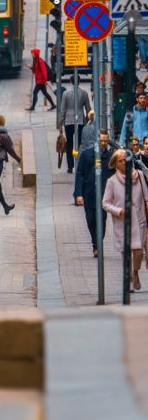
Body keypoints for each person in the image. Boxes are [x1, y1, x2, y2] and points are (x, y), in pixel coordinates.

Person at [101, 150, 148, 291]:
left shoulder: (138, 175)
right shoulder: (112, 182)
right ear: (115, 164)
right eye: (120, 161)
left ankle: (135, 272)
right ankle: (128, 280)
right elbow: (105, 203)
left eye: (126, 160)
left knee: (139, 251)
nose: (124, 163)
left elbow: (146, 196)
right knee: (126, 254)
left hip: (139, 219)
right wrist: (118, 211)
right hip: (122, 222)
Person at [74, 130, 113, 257]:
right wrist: (78, 194)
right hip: (89, 194)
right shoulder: (86, 155)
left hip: (104, 195)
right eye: (101, 140)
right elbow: (79, 174)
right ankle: (95, 243)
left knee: (102, 220)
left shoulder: (110, 157)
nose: (103, 143)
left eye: (105, 141)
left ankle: (98, 245)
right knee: (91, 220)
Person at [56, 82, 92, 173]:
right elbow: (88, 108)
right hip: (80, 120)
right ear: (79, 82)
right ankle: (80, 164)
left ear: (71, 82)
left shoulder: (66, 93)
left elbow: (63, 109)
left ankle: (70, 166)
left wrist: (60, 123)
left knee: (69, 144)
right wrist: (88, 120)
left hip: (68, 121)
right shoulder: (84, 93)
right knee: (80, 144)